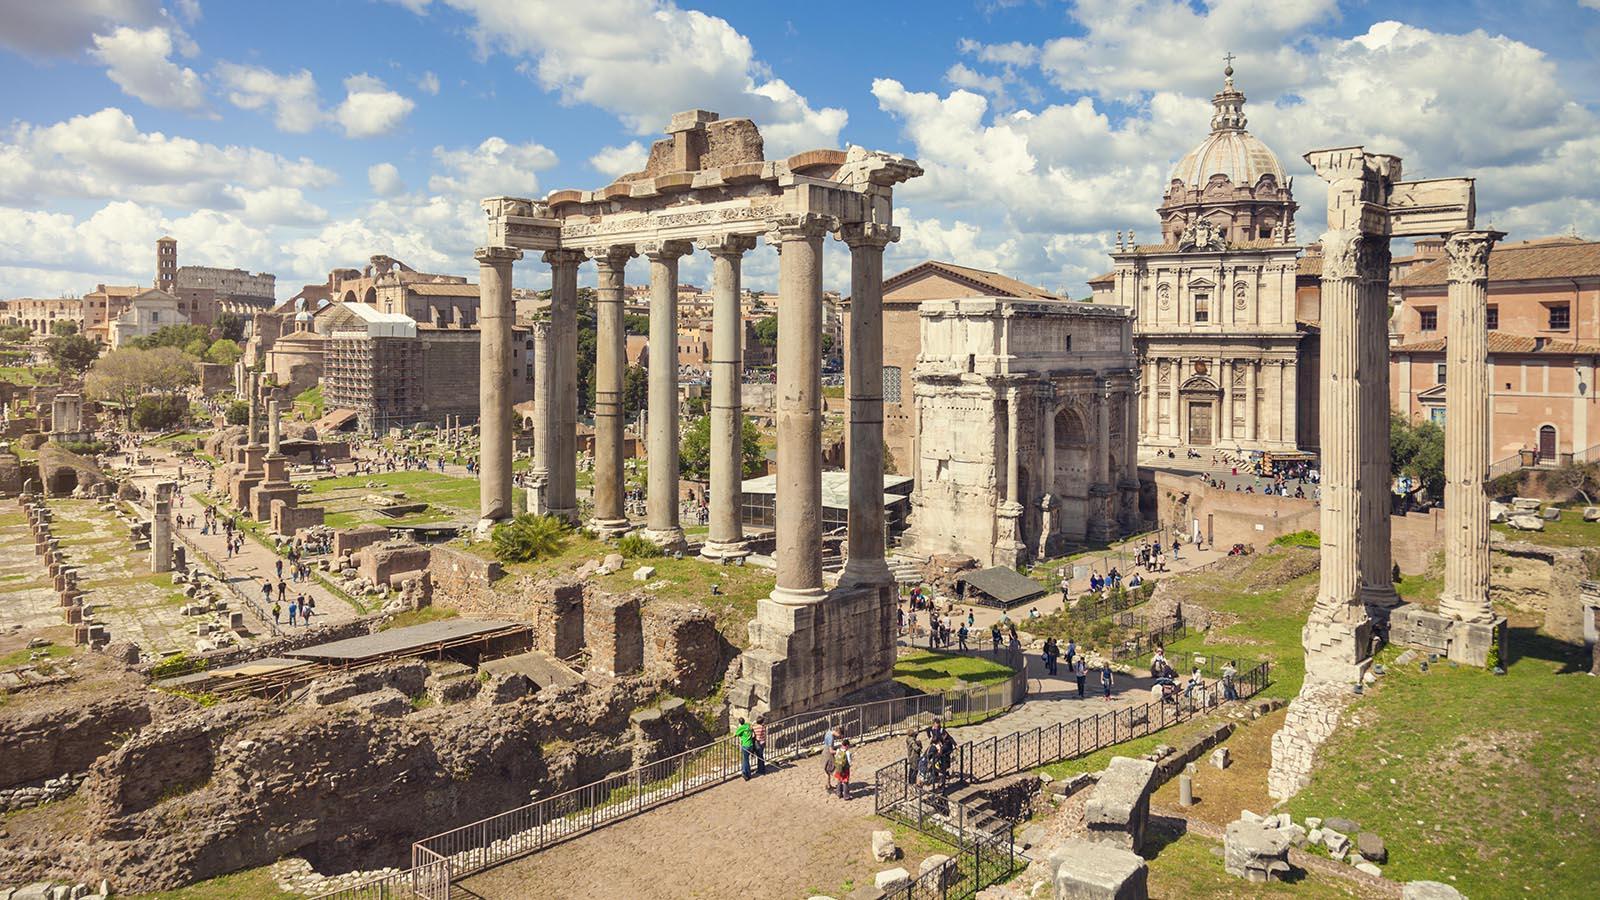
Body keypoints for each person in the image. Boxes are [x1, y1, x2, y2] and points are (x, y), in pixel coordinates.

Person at [821, 727, 839, 793]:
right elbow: (831, 751)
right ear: (837, 732)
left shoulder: (828, 732)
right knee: (833, 770)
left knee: (826, 771)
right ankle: (839, 784)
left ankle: (828, 785)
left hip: (824, 752)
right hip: (828, 755)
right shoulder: (831, 738)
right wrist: (838, 751)